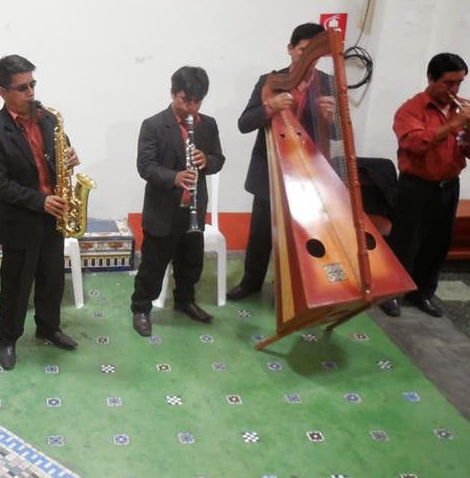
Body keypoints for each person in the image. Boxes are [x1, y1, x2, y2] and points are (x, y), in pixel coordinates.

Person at [0, 54, 80, 370]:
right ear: (2, 91)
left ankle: (49, 328)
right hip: (20, 222)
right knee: (16, 285)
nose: (31, 93)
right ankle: (8, 338)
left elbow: (60, 151)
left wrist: (69, 157)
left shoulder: (48, 118)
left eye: (32, 84)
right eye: (22, 88)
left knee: (52, 279)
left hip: (53, 217)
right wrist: (40, 201)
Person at [227, 22, 329, 301]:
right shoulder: (269, 81)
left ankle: (299, 289)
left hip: (308, 174)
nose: (309, 57)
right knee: (260, 234)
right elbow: (244, 123)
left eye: (315, 52)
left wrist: (330, 119)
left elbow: (335, 135)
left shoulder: (327, 83)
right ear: (290, 49)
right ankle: (251, 282)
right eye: (303, 50)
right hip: (270, 170)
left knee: (303, 235)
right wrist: (269, 107)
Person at [379, 53, 470, 318]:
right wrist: (454, 124)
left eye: (459, 83)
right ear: (430, 79)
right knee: (405, 242)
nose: (454, 89)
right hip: (416, 186)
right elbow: (414, 144)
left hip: (448, 186)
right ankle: (390, 294)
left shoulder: (460, 109)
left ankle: (422, 293)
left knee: (437, 244)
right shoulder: (410, 110)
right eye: (449, 83)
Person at [131, 66, 225, 336]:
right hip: (163, 211)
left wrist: (207, 161)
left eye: (197, 101)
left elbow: (218, 159)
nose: (191, 107)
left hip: (193, 210)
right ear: (173, 93)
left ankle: (185, 301)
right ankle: (141, 308)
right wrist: (175, 177)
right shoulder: (153, 125)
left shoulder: (208, 125)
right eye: (186, 100)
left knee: (191, 262)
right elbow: (145, 166)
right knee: (153, 265)